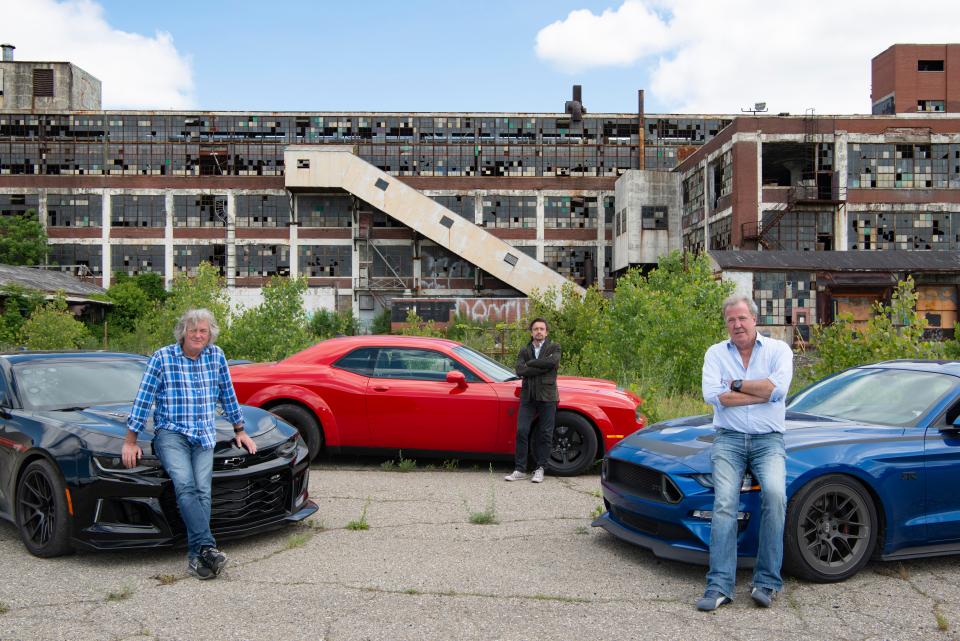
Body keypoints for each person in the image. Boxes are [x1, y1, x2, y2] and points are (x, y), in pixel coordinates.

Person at [121, 308, 257, 580]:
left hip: (204, 435)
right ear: (183, 331)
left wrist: (240, 430)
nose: (198, 335)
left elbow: (227, 395)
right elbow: (144, 399)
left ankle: (198, 557)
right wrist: (130, 440)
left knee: (203, 492)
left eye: (203, 331)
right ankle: (207, 547)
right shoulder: (162, 358)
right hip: (171, 434)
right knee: (185, 485)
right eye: (193, 330)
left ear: (210, 334)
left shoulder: (216, 356)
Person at [697, 294, 793, 611]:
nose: (737, 324)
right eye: (731, 320)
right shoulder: (715, 353)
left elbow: (777, 390)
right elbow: (714, 396)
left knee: (776, 496)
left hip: (768, 440)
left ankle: (766, 582)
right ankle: (719, 586)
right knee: (724, 502)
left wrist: (736, 385)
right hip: (729, 439)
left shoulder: (779, 350)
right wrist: (760, 393)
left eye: (742, 318)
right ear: (726, 324)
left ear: (754, 319)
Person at [504, 317, 561, 484]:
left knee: (545, 434)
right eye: (536, 329)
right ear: (531, 332)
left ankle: (540, 468)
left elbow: (553, 362)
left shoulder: (554, 347)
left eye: (542, 329)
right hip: (528, 397)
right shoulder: (524, 350)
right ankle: (520, 469)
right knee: (522, 431)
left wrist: (532, 364)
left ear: (546, 332)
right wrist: (540, 367)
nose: (539, 332)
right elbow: (520, 370)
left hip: (547, 396)